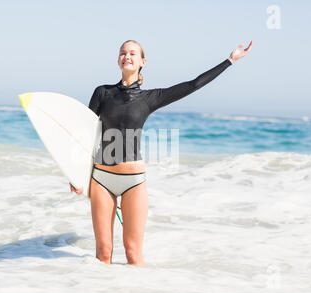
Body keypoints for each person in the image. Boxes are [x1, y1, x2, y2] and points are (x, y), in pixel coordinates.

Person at [70, 40, 253, 267]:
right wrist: (75, 174)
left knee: (133, 252)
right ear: (118, 59)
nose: (127, 56)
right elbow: (84, 135)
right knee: (103, 252)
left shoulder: (150, 98)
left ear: (142, 62)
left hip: (133, 181)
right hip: (101, 179)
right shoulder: (102, 93)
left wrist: (230, 60)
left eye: (132, 53)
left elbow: (193, 85)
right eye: (123, 53)